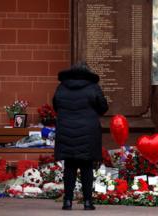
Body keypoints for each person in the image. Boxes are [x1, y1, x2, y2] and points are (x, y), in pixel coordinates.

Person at [53, 62, 108, 211]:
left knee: (69, 166)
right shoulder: (93, 87)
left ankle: (68, 201)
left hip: (66, 130)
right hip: (87, 132)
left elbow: (55, 105)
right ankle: (88, 202)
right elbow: (103, 107)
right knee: (86, 167)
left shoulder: (62, 86)